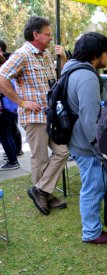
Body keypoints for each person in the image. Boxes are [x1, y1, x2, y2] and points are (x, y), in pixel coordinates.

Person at [0, 16, 69, 215]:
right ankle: (45, 195)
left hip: (50, 115)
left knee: (63, 151)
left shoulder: (46, 54)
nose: (50, 37)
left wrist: (63, 58)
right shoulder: (22, 54)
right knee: (39, 158)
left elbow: (59, 80)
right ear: (35, 35)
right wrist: (21, 102)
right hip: (34, 117)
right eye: (47, 34)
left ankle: (41, 190)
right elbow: (1, 77)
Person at [63, 32, 107, 244]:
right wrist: (99, 148)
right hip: (86, 144)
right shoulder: (86, 76)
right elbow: (89, 117)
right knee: (93, 187)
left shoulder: (72, 69)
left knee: (94, 184)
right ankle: (91, 232)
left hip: (77, 140)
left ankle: (94, 227)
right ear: (97, 53)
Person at [0, 39, 23, 161]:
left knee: (7, 134)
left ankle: (14, 157)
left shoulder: (4, 69)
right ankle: (14, 154)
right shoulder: (7, 64)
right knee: (9, 132)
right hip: (9, 106)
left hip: (5, 107)